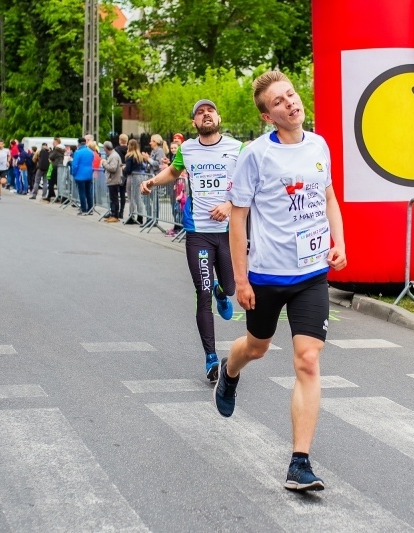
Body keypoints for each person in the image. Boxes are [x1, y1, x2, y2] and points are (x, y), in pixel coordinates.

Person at [214, 71, 347, 492]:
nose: (290, 103)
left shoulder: (319, 144)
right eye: (278, 101)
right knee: (257, 347)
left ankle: (299, 462)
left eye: (290, 94)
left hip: (311, 274)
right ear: (268, 115)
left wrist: (338, 242)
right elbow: (238, 217)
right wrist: (240, 279)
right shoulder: (255, 155)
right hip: (267, 275)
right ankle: (230, 370)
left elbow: (328, 196)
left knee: (308, 359)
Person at [141, 99, 241, 381]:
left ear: (218, 117)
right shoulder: (187, 149)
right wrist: (152, 182)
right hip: (198, 232)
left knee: (229, 288)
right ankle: (210, 358)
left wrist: (230, 206)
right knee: (203, 291)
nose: (206, 114)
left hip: (227, 232)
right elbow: (173, 171)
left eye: (210, 110)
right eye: (200, 112)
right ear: (194, 123)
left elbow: (250, 183)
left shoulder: (237, 148)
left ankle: (223, 290)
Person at [123, 139, 147, 224]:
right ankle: (140, 217)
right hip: (140, 176)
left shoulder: (129, 156)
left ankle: (131, 216)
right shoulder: (139, 155)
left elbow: (128, 170)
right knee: (138, 197)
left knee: (131, 197)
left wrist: (124, 168)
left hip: (132, 177)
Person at [71, 138, 94, 215]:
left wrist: (73, 173)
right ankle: (90, 209)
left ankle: (83, 209)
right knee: (88, 192)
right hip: (89, 174)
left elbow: (75, 165)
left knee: (82, 192)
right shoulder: (90, 152)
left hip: (80, 175)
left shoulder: (77, 152)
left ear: (79, 143)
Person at [102, 141, 122, 222]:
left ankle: (115, 215)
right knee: (112, 198)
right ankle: (112, 213)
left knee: (114, 198)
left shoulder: (114, 156)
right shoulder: (112, 155)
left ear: (106, 148)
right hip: (112, 179)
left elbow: (113, 168)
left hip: (114, 179)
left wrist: (104, 163)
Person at [45, 137, 65, 202]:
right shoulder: (62, 150)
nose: (53, 144)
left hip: (55, 167)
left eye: (54, 143)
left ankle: (51, 195)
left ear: (57, 143)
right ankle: (57, 196)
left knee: (51, 181)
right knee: (58, 182)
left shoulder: (56, 150)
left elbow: (51, 156)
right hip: (60, 167)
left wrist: (50, 153)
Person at [115, 134, 129, 218]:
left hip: (118, 172)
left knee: (116, 193)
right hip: (126, 173)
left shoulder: (116, 150)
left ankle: (115, 211)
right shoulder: (129, 150)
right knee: (123, 193)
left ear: (120, 140)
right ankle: (121, 212)